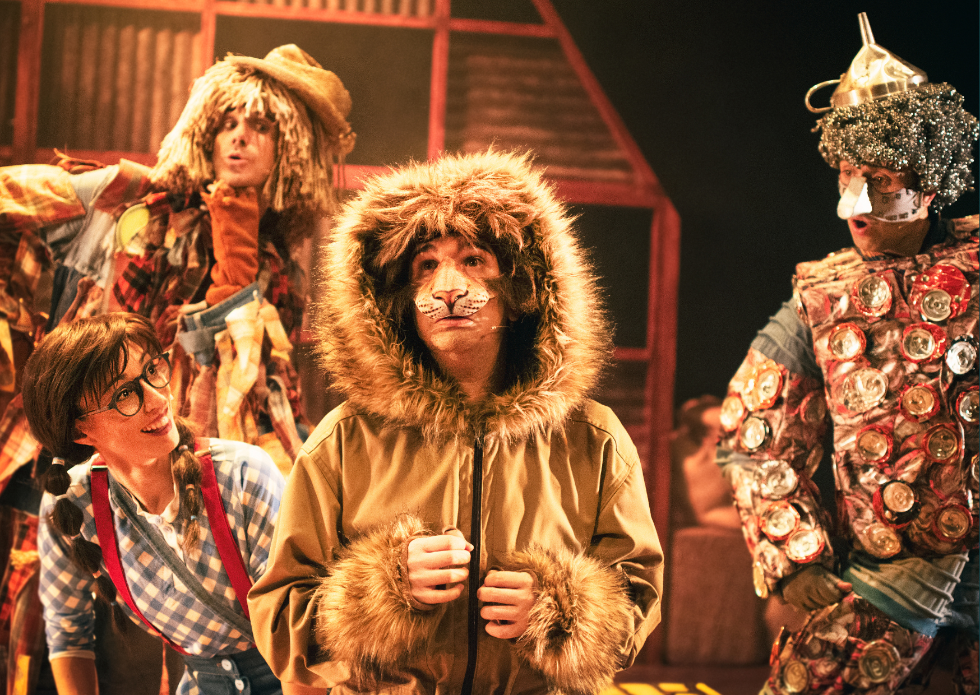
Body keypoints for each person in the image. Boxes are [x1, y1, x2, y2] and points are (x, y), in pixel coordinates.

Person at [0, 45, 353, 693]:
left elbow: (260, 381)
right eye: (228, 123)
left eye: (261, 126)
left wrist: (238, 260)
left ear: (290, 151)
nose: (240, 137)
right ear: (204, 131)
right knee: (62, 614)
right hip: (113, 442)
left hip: (218, 465)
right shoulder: (146, 207)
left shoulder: (280, 265)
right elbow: (24, 205)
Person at [248, 150, 663, 693]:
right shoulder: (343, 441)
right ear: (395, 299)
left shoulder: (595, 438)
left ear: (523, 289)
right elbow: (281, 624)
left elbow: (638, 598)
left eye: (473, 260)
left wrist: (561, 612)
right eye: (425, 265)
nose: (447, 287)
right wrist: (379, 593)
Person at [715, 13, 978, 695]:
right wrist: (795, 552)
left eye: (881, 180)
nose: (853, 204)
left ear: (929, 181)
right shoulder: (821, 299)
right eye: (846, 176)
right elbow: (755, 426)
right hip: (889, 582)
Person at [22, 312, 287, 695]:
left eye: (151, 370)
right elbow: (67, 632)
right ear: (81, 430)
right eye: (124, 394)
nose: (158, 399)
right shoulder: (74, 508)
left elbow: (297, 633)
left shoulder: (243, 476)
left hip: (293, 677)